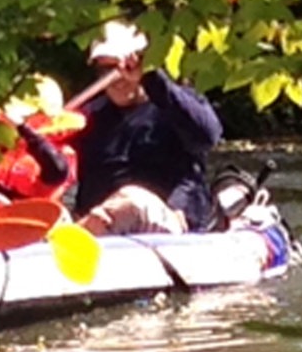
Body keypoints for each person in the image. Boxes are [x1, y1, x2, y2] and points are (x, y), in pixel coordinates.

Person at [71, 22, 224, 235]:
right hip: (99, 230)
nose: (117, 79)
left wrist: (149, 77)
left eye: (123, 68)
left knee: (133, 199)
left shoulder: (174, 104)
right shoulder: (86, 117)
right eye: (106, 69)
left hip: (167, 226)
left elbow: (207, 136)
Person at [0, 75, 85, 218]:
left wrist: (23, 128)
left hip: (16, 231)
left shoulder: (61, 154)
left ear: (45, 117)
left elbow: (57, 169)